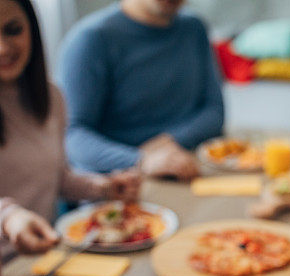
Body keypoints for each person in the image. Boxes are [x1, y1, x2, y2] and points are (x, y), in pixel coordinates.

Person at [0, 0, 139, 258]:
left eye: (13, 29)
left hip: (46, 259)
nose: (3, 47)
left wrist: (104, 187)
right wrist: (8, 217)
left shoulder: (52, 97)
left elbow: (54, 178)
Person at [57, 0, 224, 180]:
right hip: (120, 181)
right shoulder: (91, 39)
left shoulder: (194, 28)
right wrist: (141, 160)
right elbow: (71, 136)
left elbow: (214, 110)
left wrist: (172, 140)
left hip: (186, 164)